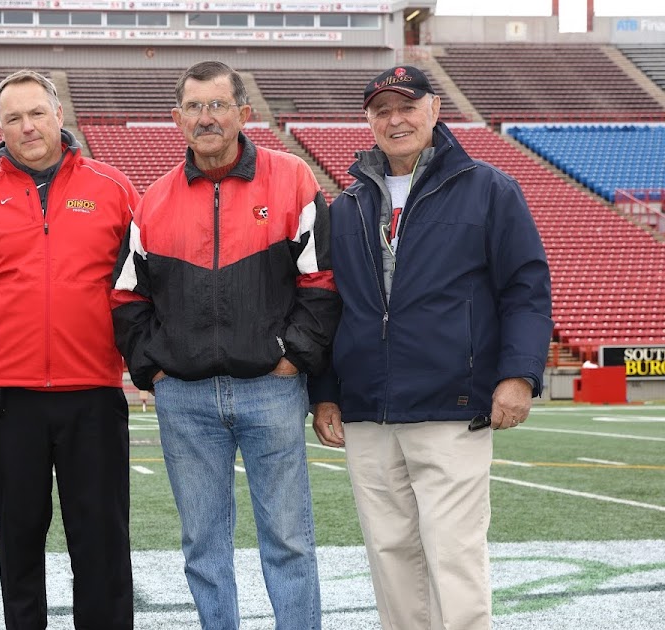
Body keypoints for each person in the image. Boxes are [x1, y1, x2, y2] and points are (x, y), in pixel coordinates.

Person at [309, 65, 552, 630]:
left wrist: (518, 375)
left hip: (452, 404)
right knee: (390, 553)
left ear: (434, 109)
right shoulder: (347, 205)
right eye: (381, 110)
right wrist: (325, 393)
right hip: (367, 409)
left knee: (454, 552)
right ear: (368, 121)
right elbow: (328, 307)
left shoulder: (489, 189)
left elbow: (526, 288)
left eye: (406, 106)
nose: (395, 119)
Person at [111, 60, 338, 630]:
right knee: (203, 546)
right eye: (193, 107)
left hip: (271, 388)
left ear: (243, 113)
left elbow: (323, 283)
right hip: (184, 399)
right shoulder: (153, 200)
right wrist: (152, 369)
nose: (205, 118)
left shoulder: (292, 179)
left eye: (217, 105)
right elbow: (126, 298)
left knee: (288, 540)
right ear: (176, 118)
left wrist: (293, 357)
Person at [0, 69, 137, 629]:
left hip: (93, 390)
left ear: (59, 115)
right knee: (18, 535)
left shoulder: (114, 188)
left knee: (100, 538)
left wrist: (146, 361)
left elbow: (145, 282)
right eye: (13, 118)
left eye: (36, 113)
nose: (27, 127)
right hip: (10, 395)